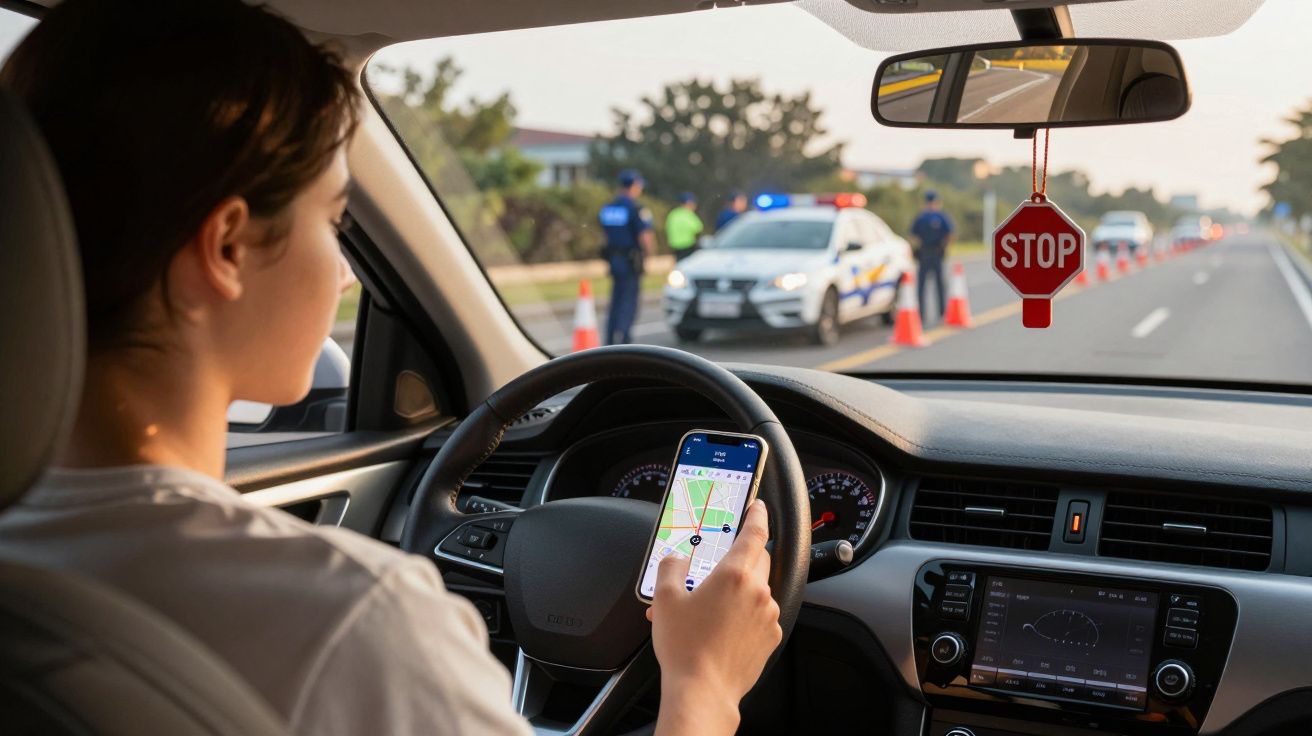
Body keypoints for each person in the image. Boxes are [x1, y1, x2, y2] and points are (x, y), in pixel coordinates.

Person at [0, 2, 781, 735]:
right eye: (335, 220)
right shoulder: (351, 620)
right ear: (228, 247)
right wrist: (702, 681)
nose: (345, 274)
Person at [598, 169, 655, 344]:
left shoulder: (608, 208)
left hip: (614, 259)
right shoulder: (636, 208)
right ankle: (623, 338)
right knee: (629, 301)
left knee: (616, 299)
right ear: (634, 186)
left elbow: (604, 235)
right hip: (631, 260)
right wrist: (649, 255)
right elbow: (645, 235)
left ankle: (610, 336)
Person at [910, 190, 955, 324]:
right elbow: (950, 234)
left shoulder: (921, 217)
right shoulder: (941, 217)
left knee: (924, 285)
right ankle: (940, 312)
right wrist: (944, 246)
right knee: (938, 284)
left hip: (925, 252)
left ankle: (922, 314)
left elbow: (912, 235)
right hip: (935, 252)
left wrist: (920, 245)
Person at [666, 192, 704, 261]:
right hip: (688, 245)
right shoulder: (688, 214)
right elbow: (698, 228)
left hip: (675, 246)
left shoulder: (673, 214)